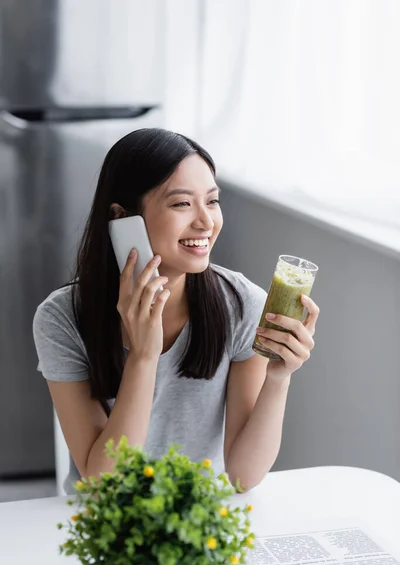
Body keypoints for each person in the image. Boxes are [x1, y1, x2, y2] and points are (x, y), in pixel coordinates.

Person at [33, 128, 319, 494]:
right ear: (123, 217)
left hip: (201, 525)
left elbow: (243, 477)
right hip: (104, 529)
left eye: (212, 201)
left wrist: (278, 379)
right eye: (182, 203)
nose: (205, 222)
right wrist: (143, 355)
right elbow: (105, 483)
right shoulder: (62, 319)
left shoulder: (243, 305)